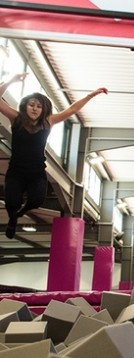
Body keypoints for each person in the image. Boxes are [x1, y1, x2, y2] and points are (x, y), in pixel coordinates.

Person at [0, 73, 107, 238]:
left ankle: (22, 211)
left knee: (36, 200)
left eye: (39, 106)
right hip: (16, 170)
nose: (35, 109)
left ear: (43, 110)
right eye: (32, 105)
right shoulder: (17, 119)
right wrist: (12, 81)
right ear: (25, 106)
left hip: (37, 172)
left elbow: (72, 109)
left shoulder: (48, 122)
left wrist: (91, 95)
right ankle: (13, 218)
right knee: (11, 202)